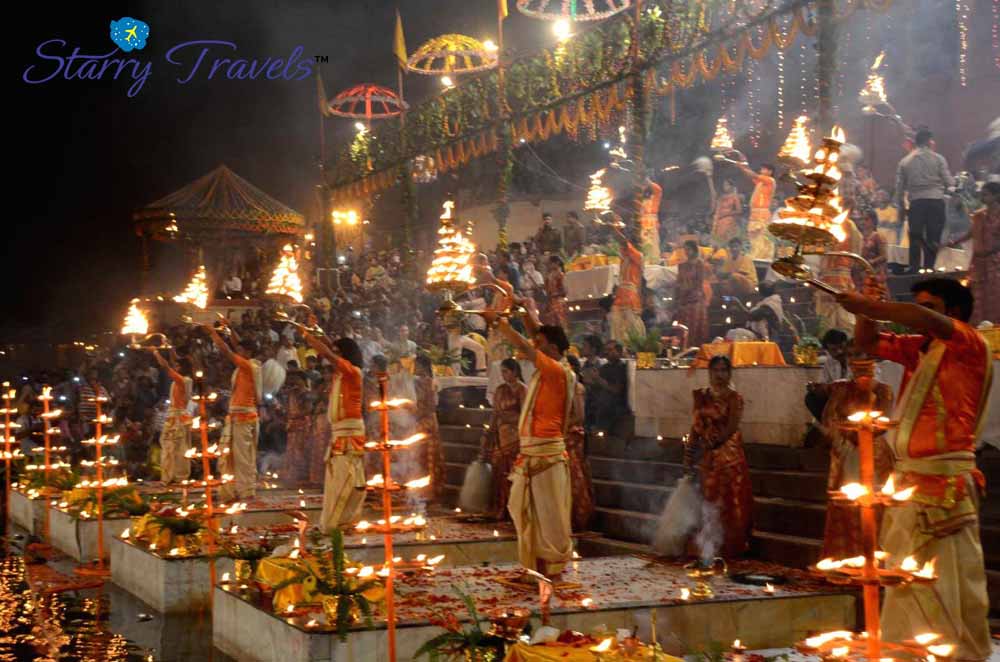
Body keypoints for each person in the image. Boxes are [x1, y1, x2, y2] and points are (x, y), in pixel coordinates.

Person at [838, 277, 992, 660]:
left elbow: (915, 317)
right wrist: (867, 307)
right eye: (919, 306)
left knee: (949, 584)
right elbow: (867, 344)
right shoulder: (920, 349)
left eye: (930, 308)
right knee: (906, 583)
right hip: (909, 483)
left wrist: (868, 306)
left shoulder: (968, 344)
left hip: (946, 488)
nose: (920, 316)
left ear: (953, 314)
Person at [492, 300, 576, 579]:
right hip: (532, 453)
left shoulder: (556, 371)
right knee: (526, 511)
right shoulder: (550, 366)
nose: (532, 346)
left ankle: (551, 567)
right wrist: (521, 308)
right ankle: (535, 567)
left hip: (546, 454)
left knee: (548, 515)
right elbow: (535, 336)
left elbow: (529, 346)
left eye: (539, 344)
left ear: (551, 348)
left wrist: (499, 323)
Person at [809, 357, 894, 559]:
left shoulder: (883, 390)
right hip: (846, 451)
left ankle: (873, 561)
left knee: (874, 506)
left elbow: (884, 421)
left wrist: (861, 435)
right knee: (847, 504)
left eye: (867, 368)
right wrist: (846, 435)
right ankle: (846, 558)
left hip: (874, 453)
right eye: (857, 368)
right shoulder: (842, 389)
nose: (862, 373)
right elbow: (829, 417)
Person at [301, 329, 368, 532]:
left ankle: (340, 523)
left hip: (349, 433)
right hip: (340, 432)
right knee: (336, 479)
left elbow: (329, 355)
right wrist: (317, 331)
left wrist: (307, 337)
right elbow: (331, 350)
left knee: (344, 478)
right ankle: (335, 523)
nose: (334, 356)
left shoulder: (353, 372)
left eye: (339, 352)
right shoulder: (341, 373)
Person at [688, 355, 753, 558]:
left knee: (728, 499)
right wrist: (689, 452)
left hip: (728, 454)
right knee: (708, 499)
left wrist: (715, 443)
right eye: (716, 370)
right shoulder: (702, 396)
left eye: (724, 370)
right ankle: (708, 545)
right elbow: (696, 425)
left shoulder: (734, 398)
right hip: (708, 455)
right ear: (709, 372)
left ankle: (729, 545)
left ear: (729, 373)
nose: (719, 375)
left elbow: (732, 427)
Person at [206, 323, 261, 501]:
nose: (239, 351)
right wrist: (230, 329)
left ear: (249, 352)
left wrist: (213, 334)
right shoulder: (248, 365)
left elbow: (227, 352)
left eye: (242, 350)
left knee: (243, 457)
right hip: (239, 417)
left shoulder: (250, 366)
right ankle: (234, 489)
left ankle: (246, 491)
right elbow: (237, 345)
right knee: (233, 457)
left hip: (244, 418)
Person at [895, 127, 954, 272]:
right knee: (933, 236)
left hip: (916, 202)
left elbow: (899, 188)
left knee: (915, 236)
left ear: (916, 142)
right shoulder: (939, 158)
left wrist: (901, 207)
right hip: (935, 201)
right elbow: (949, 182)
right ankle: (929, 268)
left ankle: (914, 268)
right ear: (929, 141)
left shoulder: (905, 161)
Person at [948, 181, 1000, 324]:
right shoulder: (979, 215)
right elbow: (971, 233)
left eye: (986, 195)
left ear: (996, 196)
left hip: (994, 261)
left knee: (994, 293)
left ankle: (995, 325)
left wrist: (993, 250)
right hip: (978, 261)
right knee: (977, 294)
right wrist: (955, 241)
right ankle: (978, 325)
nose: (983, 198)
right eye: (982, 195)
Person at [480, 358, 526, 520]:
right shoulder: (500, 390)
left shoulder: (522, 390)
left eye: (506, 371)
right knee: (499, 470)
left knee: (512, 471)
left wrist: (509, 418)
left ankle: (513, 509)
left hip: (516, 435)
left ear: (515, 372)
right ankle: (499, 507)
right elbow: (495, 413)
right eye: (502, 372)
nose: (503, 375)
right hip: (501, 433)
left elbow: (526, 415)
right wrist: (489, 432)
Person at [814, 216, 862, 333]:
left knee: (842, 319)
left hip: (839, 276)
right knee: (830, 321)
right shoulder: (831, 225)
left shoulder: (847, 226)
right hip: (832, 278)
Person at [151, 350, 192, 484]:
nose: (176, 367)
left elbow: (166, 366)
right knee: (176, 448)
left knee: (173, 448)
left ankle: (173, 477)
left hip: (177, 418)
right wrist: (171, 349)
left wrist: (155, 353)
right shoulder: (184, 380)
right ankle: (175, 476)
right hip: (177, 416)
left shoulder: (183, 380)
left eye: (178, 366)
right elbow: (175, 361)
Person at [565, 355, 595, 532]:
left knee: (573, 474)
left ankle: (578, 515)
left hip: (572, 434)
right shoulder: (564, 387)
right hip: (562, 433)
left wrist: (562, 427)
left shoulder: (577, 388)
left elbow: (580, 416)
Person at [413, 355, 445, 498]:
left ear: (423, 366)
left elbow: (430, 404)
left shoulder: (426, 382)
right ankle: (425, 489)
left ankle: (429, 490)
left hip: (426, 420)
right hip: (424, 420)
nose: (415, 368)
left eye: (417, 365)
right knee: (421, 455)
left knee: (427, 455)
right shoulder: (421, 381)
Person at [608, 222, 646, 342]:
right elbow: (623, 244)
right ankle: (619, 347)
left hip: (630, 294)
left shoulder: (638, 255)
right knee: (615, 321)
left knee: (631, 325)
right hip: (621, 293)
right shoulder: (625, 255)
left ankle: (634, 347)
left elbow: (623, 242)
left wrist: (615, 231)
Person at [804, 329, 852, 421]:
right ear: (827, 351)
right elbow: (824, 384)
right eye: (834, 350)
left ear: (846, 345)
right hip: (835, 399)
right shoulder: (829, 364)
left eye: (842, 347)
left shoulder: (855, 358)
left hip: (853, 397)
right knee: (811, 397)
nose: (839, 352)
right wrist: (816, 388)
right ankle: (828, 426)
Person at [582, 340, 629, 434]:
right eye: (605, 350)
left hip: (614, 411)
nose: (606, 352)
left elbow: (616, 390)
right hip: (600, 409)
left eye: (610, 349)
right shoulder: (604, 367)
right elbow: (597, 386)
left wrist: (598, 379)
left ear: (619, 352)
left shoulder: (621, 367)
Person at [674, 240, 712, 347]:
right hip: (684, 300)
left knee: (695, 327)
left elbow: (699, 283)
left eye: (688, 249)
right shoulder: (682, 266)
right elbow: (679, 282)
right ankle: (683, 348)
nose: (686, 252)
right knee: (683, 326)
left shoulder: (700, 265)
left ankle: (694, 349)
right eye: (685, 249)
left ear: (694, 250)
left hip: (695, 300)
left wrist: (688, 291)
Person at [738, 162, 776, 261]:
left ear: (770, 172)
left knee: (760, 236)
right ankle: (753, 256)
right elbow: (750, 175)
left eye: (764, 169)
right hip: (754, 213)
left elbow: (753, 175)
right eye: (761, 169)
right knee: (753, 237)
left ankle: (761, 257)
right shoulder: (761, 182)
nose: (761, 171)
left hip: (762, 213)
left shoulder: (770, 180)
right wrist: (743, 165)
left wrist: (742, 167)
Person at [280, 370, 313, 488]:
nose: (293, 381)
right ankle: (293, 477)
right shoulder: (291, 393)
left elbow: (309, 410)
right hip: (292, 426)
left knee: (301, 451)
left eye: (296, 379)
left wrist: (295, 416)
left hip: (303, 425)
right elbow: (287, 409)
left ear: (302, 380)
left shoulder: (306, 394)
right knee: (292, 451)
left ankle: (303, 477)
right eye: (292, 379)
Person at [714, 237, 758, 302]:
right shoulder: (728, 260)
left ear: (740, 247)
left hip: (748, 284)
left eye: (736, 246)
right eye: (732, 247)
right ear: (729, 248)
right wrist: (719, 274)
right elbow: (724, 274)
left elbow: (742, 273)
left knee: (735, 277)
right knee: (715, 280)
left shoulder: (746, 258)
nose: (734, 249)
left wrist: (726, 274)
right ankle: (725, 300)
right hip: (732, 282)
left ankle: (736, 300)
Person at [857, 208, 888, 292]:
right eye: (862, 219)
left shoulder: (878, 236)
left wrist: (871, 262)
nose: (863, 222)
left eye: (866, 219)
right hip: (862, 274)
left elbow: (884, 256)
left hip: (875, 273)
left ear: (874, 220)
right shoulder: (860, 237)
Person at [711, 179, 743, 245]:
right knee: (717, 241)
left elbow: (739, 210)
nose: (724, 187)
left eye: (726, 185)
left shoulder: (734, 197)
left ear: (731, 186)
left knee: (727, 241)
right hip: (719, 221)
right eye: (724, 185)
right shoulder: (721, 197)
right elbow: (715, 208)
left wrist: (726, 214)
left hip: (728, 221)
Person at [639, 179, 663, 263]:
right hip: (642, 223)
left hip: (652, 222)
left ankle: (653, 262)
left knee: (653, 244)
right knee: (643, 243)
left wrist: (647, 181)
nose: (642, 188)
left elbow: (658, 189)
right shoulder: (639, 199)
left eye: (644, 186)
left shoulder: (655, 197)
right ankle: (644, 261)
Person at [541, 256, 568, 330]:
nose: (549, 265)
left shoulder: (561, 275)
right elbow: (547, 290)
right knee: (553, 324)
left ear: (557, 263)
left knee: (561, 323)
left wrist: (555, 295)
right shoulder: (549, 275)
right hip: (551, 302)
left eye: (551, 263)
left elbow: (564, 291)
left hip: (559, 302)